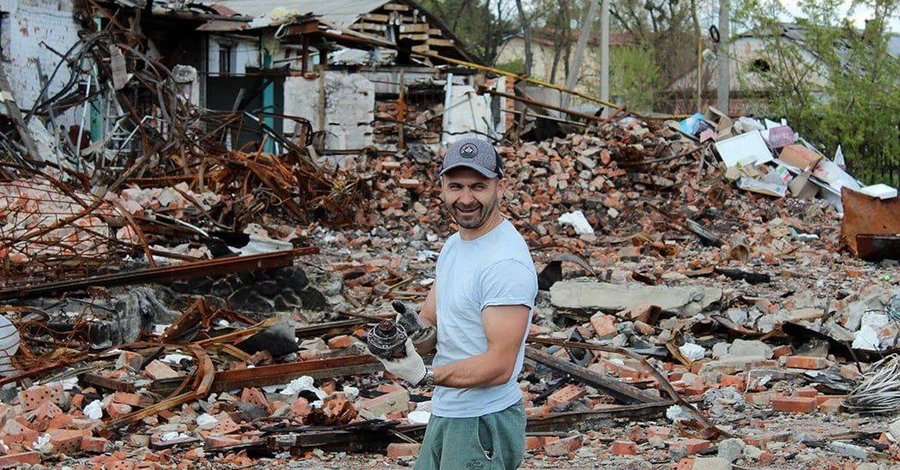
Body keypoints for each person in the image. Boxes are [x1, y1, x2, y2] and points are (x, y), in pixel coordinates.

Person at [374, 137, 538, 470]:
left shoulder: (505, 263)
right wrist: (409, 335)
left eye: (478, 186)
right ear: (442, 187)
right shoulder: (454, 245)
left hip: (482, 422)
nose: (466, 199)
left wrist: (424, 375)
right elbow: (432, 321)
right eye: (456, 186)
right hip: (448, 411)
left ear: (499, 186)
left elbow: (500, 365)